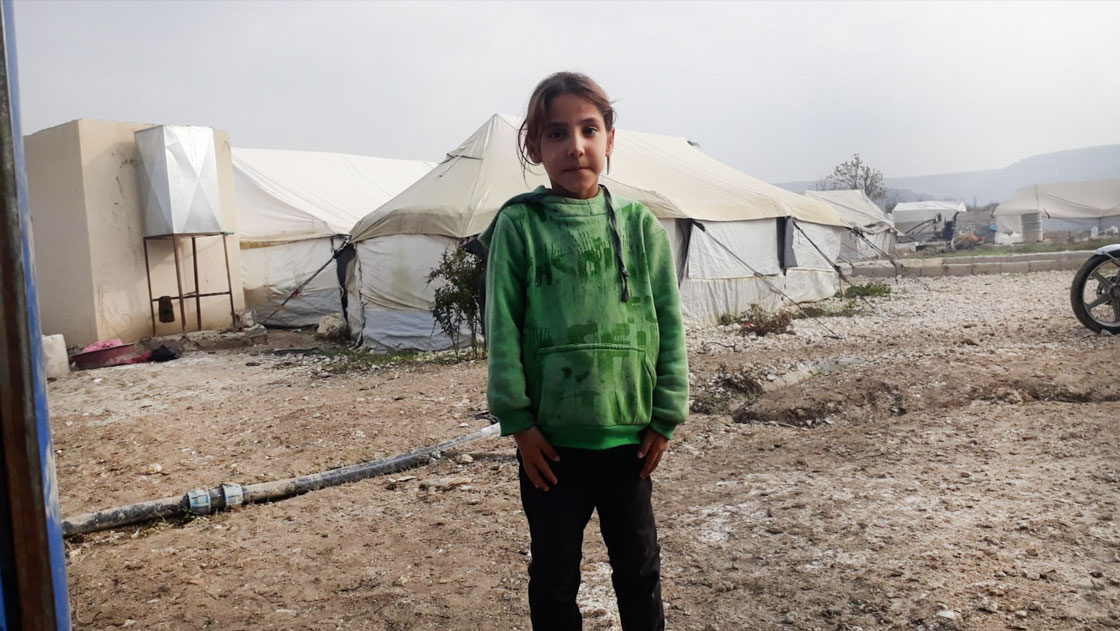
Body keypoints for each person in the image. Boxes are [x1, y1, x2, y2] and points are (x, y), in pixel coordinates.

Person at [479, 72, 689, 631]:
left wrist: (666, 416)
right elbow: (502, 327)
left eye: (589, 129)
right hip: (550, 448)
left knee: (639, 570)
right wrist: (518, 422)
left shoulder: (641, 227)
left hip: (630, 439)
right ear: (534, 147)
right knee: (554, 576)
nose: (575, 146)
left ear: (610, 140)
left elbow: (668, 321)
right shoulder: (520, 225)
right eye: (556, 133)